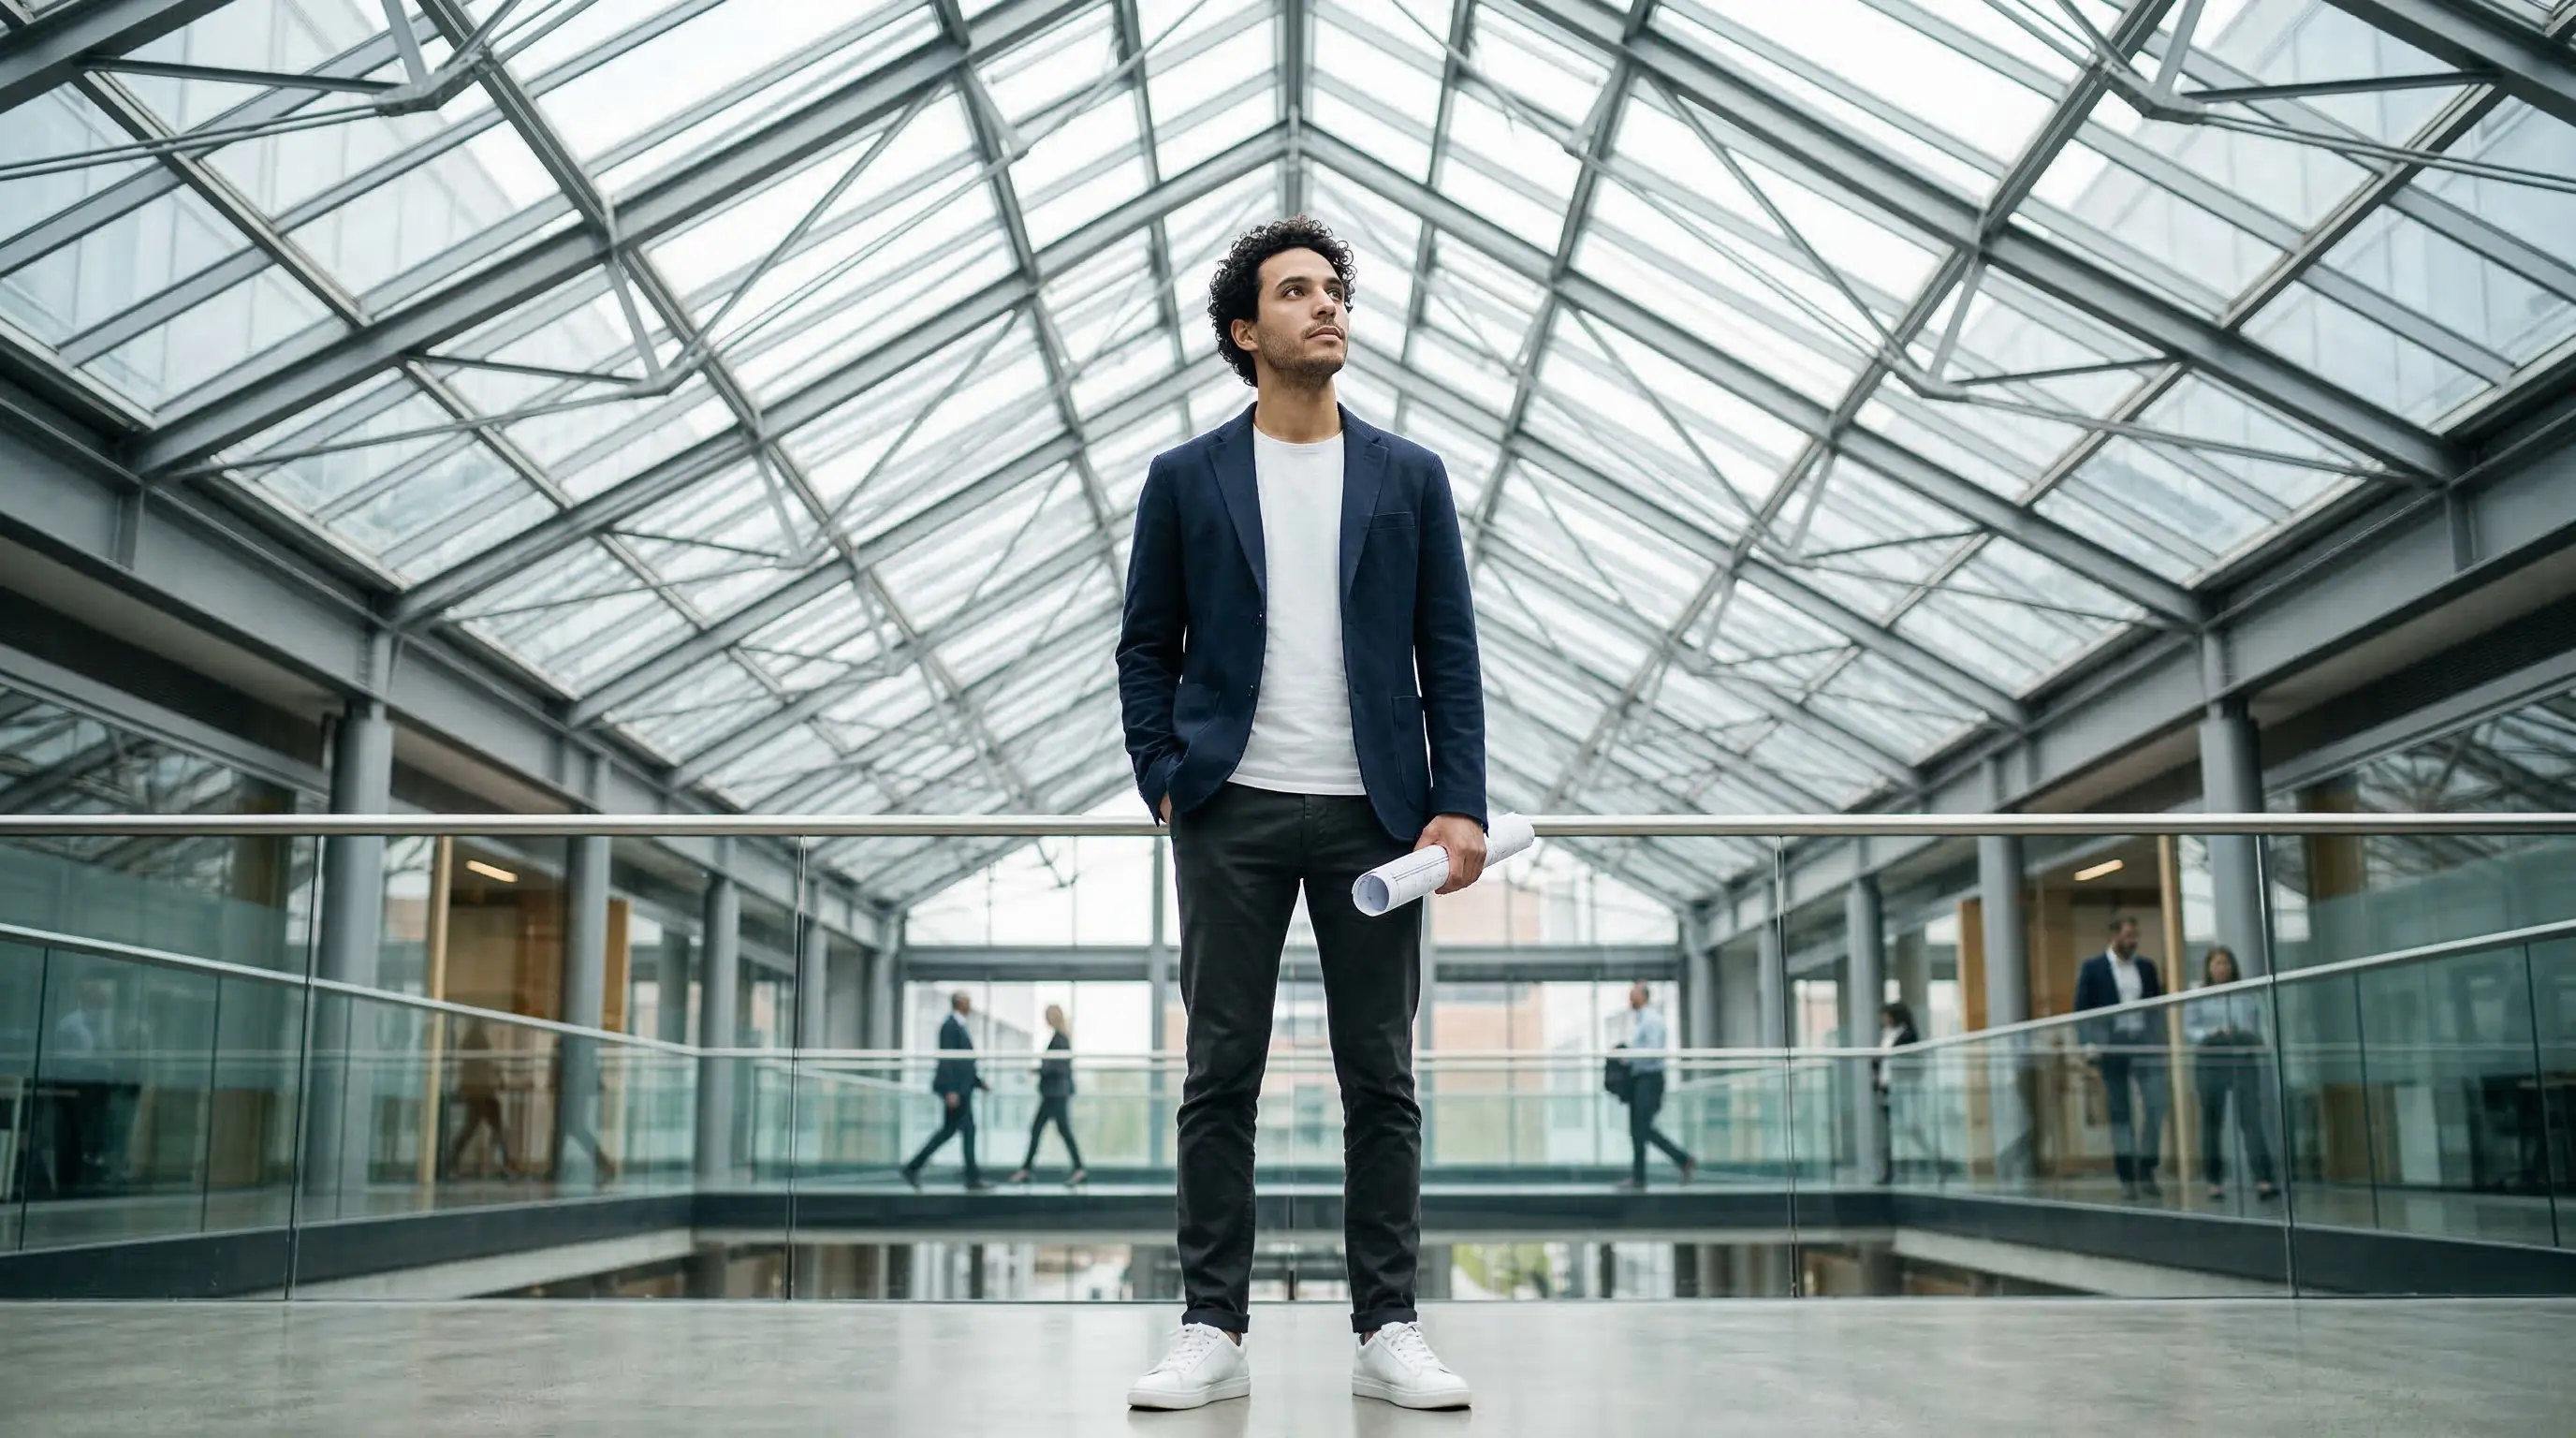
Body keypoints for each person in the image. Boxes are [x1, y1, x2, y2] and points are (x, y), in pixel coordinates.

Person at [1117, 217, 1484, 1412]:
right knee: (1220, 1068)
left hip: (1378, 814)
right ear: (1245, 330)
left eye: (1333, 290)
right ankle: (1209, 1327)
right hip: (1233, 805)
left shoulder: (1409, 475)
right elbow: (1144, 647)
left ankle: (1388, 1325)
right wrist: (1166, 773)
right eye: (1296, 292)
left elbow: (1450, 655)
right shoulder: (1185, 478)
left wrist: (1457, 805)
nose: (1326, 306)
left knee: (1379, 1073)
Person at [2074, 916, 2169, 1200]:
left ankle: (2147, 1168)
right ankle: (2127, 1175)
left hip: (2143, 1043)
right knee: (2120, 1110)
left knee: (2155, 1105)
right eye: (2128, 936)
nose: (2133, 941)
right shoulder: (2093, 968)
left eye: (2136, 936)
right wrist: (2088, 1045)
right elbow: (2082, 1010)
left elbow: (2157, 1008)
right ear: (2113, 935)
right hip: (2112, 1045)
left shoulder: (2146, 967)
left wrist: (2160, 1041)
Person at [2186, 946, 2278, 1203]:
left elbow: (2259, 1028)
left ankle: (2263, 1179)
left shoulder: (2246, 995)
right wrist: (2215, 1030)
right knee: (2212, 1123)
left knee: (2251, 1121)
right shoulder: (2198, 995)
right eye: (2216, 963)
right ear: (2208, 968)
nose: (2221, 968)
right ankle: (2214, 1182)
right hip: (2211, 1063)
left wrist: (2252, 1038)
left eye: (2226, 963)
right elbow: (2190, 1031)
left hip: (2242, 1061)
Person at [901, 990, 988, 1191]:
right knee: (967, 1130)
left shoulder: (959, 1025)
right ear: (959, 1003)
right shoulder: (950, 1026)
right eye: (968, 1001)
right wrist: (951, 1090)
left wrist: (978, 1082)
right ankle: (972, 1178)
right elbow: (948, 1059)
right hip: (956, 1090)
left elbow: (963, 1061)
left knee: (949, 1131)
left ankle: (913, 1166)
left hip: (962, 1088)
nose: (970, 1005)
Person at [1617, 982, 1695, 1191]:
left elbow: (1653, 1051)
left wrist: (1629, 1057)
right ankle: (1640, 1177)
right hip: (1641, 1080)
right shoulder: (1642, 1020)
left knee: (1642, 1128)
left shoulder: (1651, 1021)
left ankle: (1682, 1160)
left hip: (1649, 1079)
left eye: (1632, 995)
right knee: (1638, 1130)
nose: (1629, 999)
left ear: (1642, 996)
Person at [1009, 1004, 1087, 1186]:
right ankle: (1028, 1169)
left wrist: (1040, 1070)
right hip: (1055, 1093)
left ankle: (1078, 1169)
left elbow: (1057, 1067)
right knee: (1044, 1130)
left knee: (1053, 1130)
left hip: (1056, 1094)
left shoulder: (1060, 1039)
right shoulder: (1060, 1038)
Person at [445, 1020, 516, 1180]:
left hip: (481, 1089)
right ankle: (505, 1165)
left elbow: (482, 1063)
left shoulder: (473, 1038)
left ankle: (505, 1164)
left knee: (486, 1127)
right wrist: (497, 1077)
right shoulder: (475, 1039)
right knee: (479, 1127)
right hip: (479, 1090)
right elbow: (481, 1064)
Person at [1875, 1000, 1920, 1184]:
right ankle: (1890, 1171)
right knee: (1890, 1131)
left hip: (1902, 1089)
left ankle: (1932, 1163)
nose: (1884, 1019)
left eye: (1887, 1015)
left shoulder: (1906, 1035)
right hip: (1887, 1087)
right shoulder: (1887, 1035)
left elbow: (1909, 1063)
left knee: (1910, 1129)